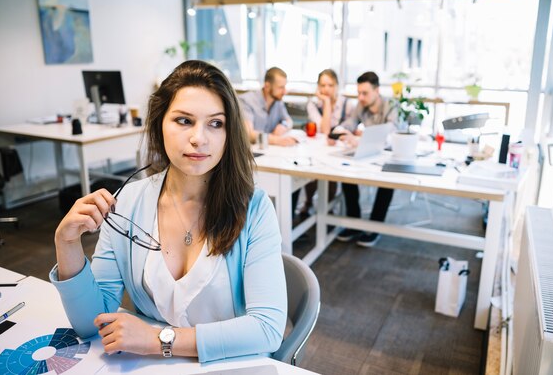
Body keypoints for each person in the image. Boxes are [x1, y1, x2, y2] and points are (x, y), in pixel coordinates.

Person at [50, 60, 287, 363]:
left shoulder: (255, 208)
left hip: (233, 364)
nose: (199, 138)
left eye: (216, 123)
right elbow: (92, 322)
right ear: (159, 123)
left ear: (229, 134)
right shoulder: (128, 204)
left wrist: (158, 339)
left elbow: (267, 329)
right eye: (184, 121)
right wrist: (66, 244)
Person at [333, 71, 398, 247]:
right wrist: (339, 130)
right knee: (346, 173)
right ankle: (355, 224)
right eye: (359, 93)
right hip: (369, 152)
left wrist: (359, 139)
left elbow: (391, 134)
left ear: (377, 91)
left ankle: (374, 227)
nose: (360, 97)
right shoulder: (361, 105)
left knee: (387, 181)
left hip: (391, 154)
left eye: (365, 93)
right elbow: (350, 123)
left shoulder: (391, 105)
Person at [297, 69, 351, 219]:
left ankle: (328, 208)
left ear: (337, 86)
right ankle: (308, 202)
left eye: (330, 85)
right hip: (317, 147)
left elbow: (349, 126)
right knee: (311, 172)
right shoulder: (313, 104)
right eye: (323, 85)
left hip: (338, 148)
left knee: (332, 175)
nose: (326, 89)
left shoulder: (346, 103)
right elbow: (325, 129)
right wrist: (326, 103)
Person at [240, 66, 297, 147]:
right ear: (267, 86)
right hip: (252, 153)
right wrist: (277, 140)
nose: (285, 91)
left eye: (285, 87)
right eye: (281, 87)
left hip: (270, 152)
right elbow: (248, 134)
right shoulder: (246, 101)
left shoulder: (278, 101)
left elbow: (289, 121)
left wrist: (283, 125)